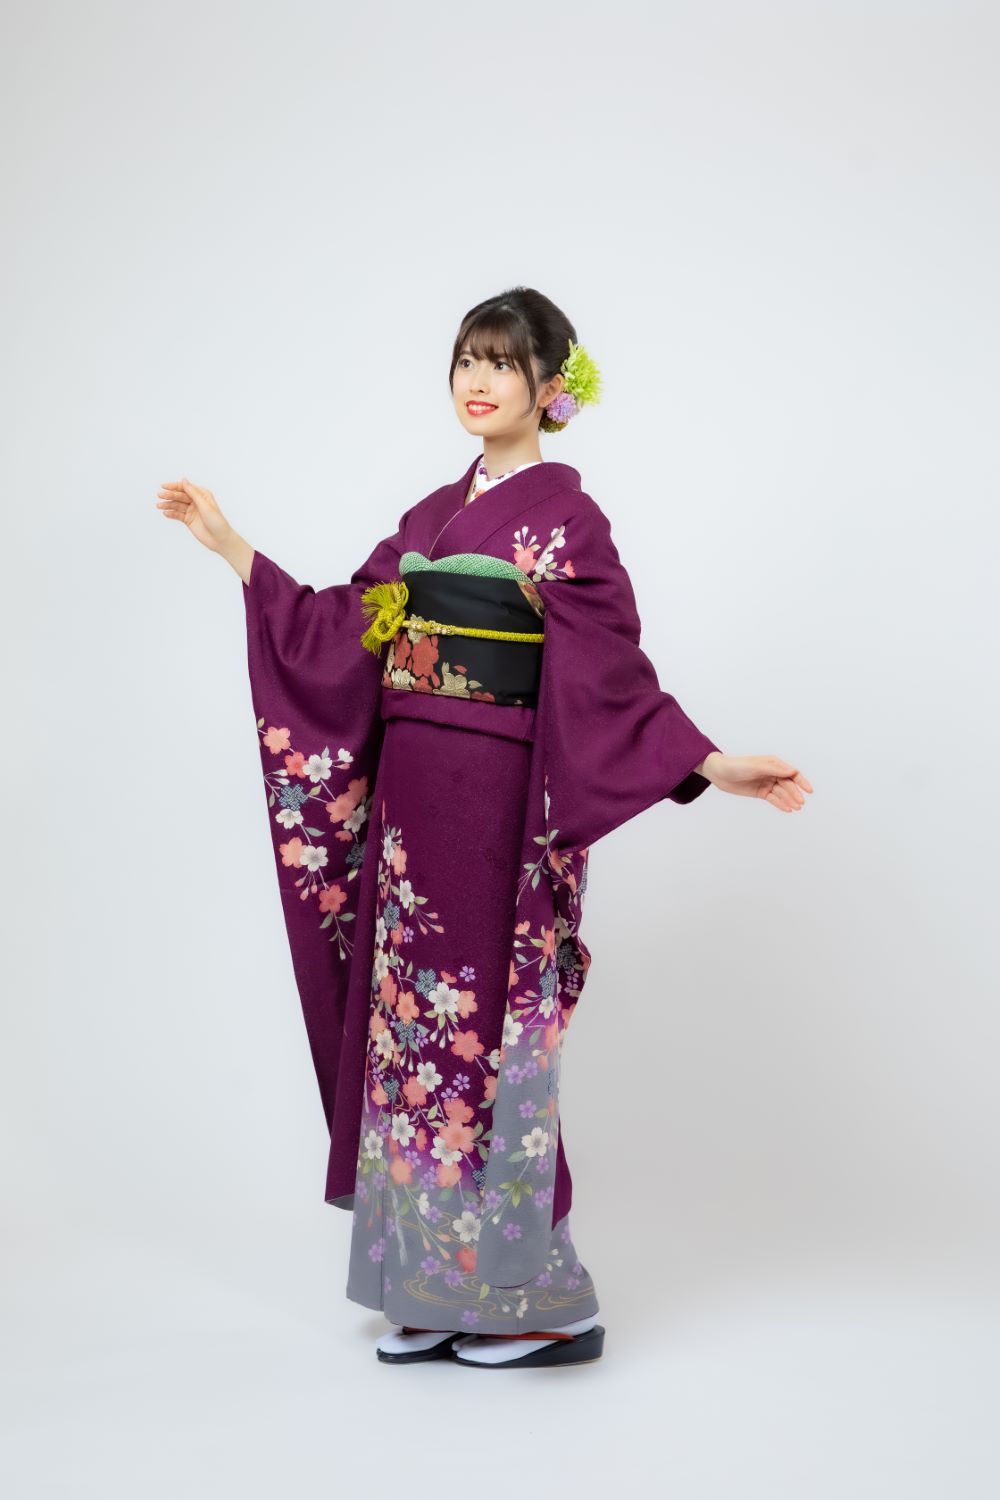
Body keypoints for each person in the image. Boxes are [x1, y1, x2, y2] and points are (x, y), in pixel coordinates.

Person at [156, 286, 813, 1370]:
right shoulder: (428, 519)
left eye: (503, 362)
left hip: (499, 809)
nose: (478, 379)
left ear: (552, 388)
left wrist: (707, 765)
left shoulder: (570, 524)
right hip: (413, 815)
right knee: (412, 1037)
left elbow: (612, 678)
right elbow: (342, 632)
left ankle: (541, 1302)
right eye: (467, 357)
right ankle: (430, 1287)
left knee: (489, 1035)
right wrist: (234, 548)